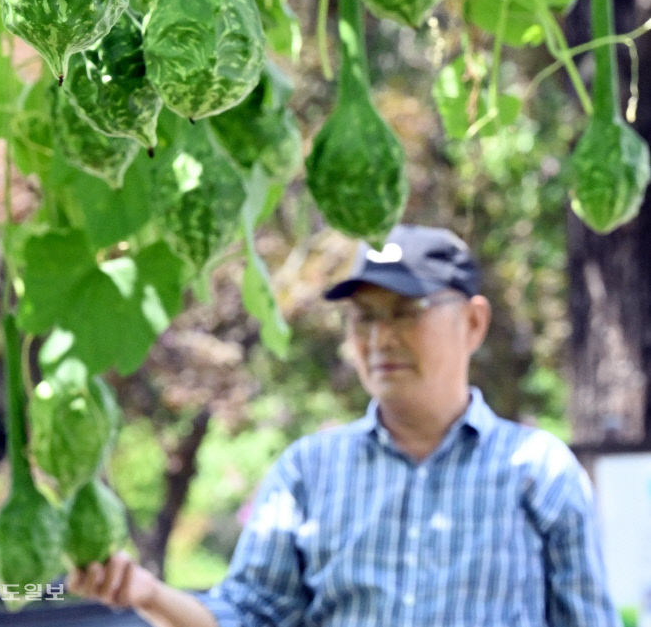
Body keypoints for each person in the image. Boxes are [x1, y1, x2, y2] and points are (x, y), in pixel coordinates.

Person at [67, 224, 620, 627]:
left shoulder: (538, 472)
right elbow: (243, 617)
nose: (380, 338)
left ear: (473, 322)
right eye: (363, 318)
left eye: (405, 311)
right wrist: (147, 593)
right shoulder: (309, 472)